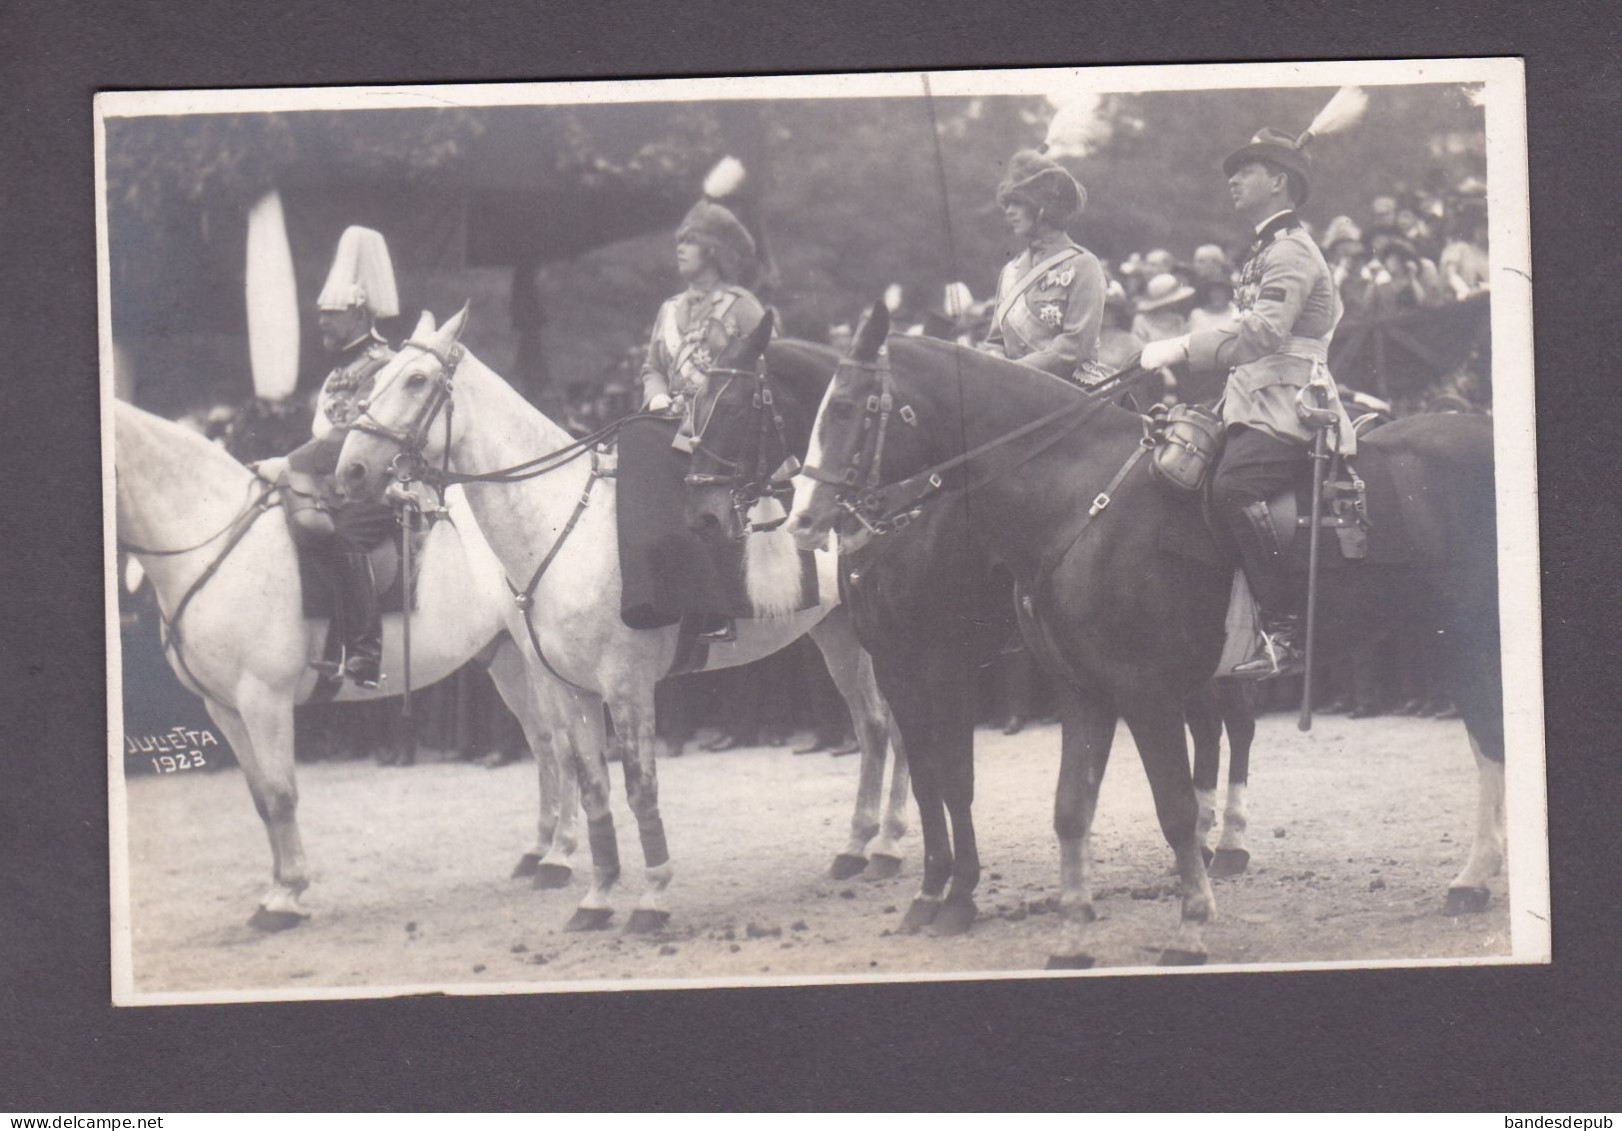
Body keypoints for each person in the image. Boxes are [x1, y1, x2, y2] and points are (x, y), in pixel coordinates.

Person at [1139, 127, 1354, 678]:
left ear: (1278, 181)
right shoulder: (1265, 249)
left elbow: (1261, 335)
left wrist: (1183, 346)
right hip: (1249, 399)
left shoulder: (1291, 252)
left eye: (1247, 171)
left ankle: (1284, 629)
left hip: (1291, 404)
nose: (1233, 180)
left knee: (1234, 489)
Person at [255, 226, 400, 688]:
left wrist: (288, 461)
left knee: (347, 538)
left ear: (358, 314)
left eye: (330, 316)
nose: (320, 324)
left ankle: (363, 653)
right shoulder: (341, 368)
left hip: (377, 489)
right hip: (332, 485)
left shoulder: (382, 365)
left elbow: (349, 437)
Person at [625, 197, 767, 642]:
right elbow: (652, 367)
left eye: (691, 242)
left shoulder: (742, 306)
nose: (680, 249)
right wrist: (657, 396)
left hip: (724, 430)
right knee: (634, 437)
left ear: (713, 251)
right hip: (673, 421)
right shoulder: (669, 309)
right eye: (680, 242)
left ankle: (710, 604)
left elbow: (767, 368)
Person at [979, 149, 1106, 383]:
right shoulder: (1010, 271)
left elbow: (1075, 347)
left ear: (1042, 208)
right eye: (1007, 204)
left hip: (1068, 395)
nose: (1009, 211)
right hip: (1011, 390)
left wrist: (1011, 373)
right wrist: (993, 361)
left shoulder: (1083, 265)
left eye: (1018, 203)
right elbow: (995, 341)